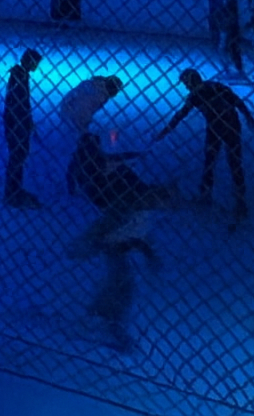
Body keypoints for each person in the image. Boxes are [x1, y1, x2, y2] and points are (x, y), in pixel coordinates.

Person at [66, 132, 175, 352]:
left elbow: (142, 238)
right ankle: (105, 319)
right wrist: (87, 244)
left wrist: (150, 256)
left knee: (121, 283)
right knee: (122, 283)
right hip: (111, 244)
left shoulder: (139, 208)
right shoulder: (127, 207)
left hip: (117, 242)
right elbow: (105, 226)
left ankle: (102, 315)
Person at [153, 68, 254, 222]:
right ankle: (235, 198)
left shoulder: (198, 94)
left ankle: (212, 194)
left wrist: (165, 131)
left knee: (216, 161)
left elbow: (180, 115)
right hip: (227, 126)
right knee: (230, 162)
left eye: (186, 84)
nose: (186, 87)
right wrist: (248, 116)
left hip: (222, 127)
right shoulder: (213, 87)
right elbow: (237, 101)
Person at [2, 49, 44, 209]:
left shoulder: (20, 75)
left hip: (18, 121)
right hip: (17, 122)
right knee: (17, 156)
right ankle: (12, 193)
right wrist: (23, 122)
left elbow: (22, 103)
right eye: (36, 63)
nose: (37, 66)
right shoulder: (19, 76)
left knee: (19, 156)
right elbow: (18, 104)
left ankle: (14, 189)